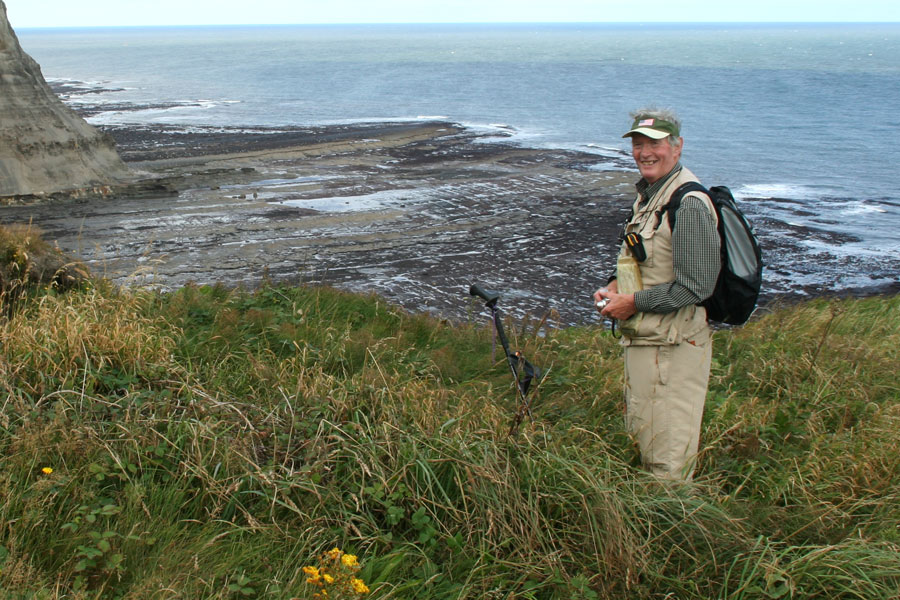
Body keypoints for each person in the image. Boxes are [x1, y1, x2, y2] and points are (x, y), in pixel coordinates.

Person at [594, 107, 720, 481]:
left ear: (677, 147)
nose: (645, 152)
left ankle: (675, 532)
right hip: (649, 345)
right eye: (638, 144)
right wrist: (615, 286)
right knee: (646, 445)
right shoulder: (651, 197)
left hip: (673, 348)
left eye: (655, 144)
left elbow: (695, 287)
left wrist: (632, 303)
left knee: (666, 463)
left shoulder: (689, 203)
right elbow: (647, 259)